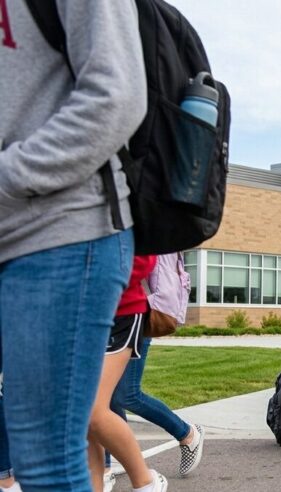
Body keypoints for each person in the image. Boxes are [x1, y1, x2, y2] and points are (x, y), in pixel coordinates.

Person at [0, 1, 146, 489]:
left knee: (45, 459)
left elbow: (117, 96)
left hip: (57, 233)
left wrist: (8, 177)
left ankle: (149, 474)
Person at [108, 253, 205, 484]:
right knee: (105, 396)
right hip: (113, 315)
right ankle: (111, 460)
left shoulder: (150, 234)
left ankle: (187, 433)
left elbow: (159, 282)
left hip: (135, 314)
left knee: (126, 394)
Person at [89, 256, 167, 492]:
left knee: (93, 409)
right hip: (78, 313)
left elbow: (144, 259)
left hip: (120, 310)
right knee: (79, 417)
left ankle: (146, 483)